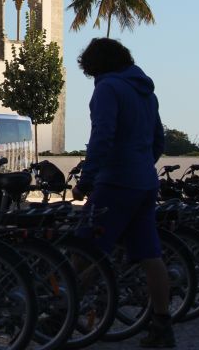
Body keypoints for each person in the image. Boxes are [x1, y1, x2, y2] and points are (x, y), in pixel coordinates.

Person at [72, 37, 174, 348]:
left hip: (115, 182)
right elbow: (159, 139)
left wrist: (87, 178)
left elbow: (103, 134)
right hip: (144, 182)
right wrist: (142, 164)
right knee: (150, 256)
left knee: (83, 248)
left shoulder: (107, 89)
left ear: (95, 65)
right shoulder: (145, 90)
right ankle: (162, 324)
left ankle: (62, 314)